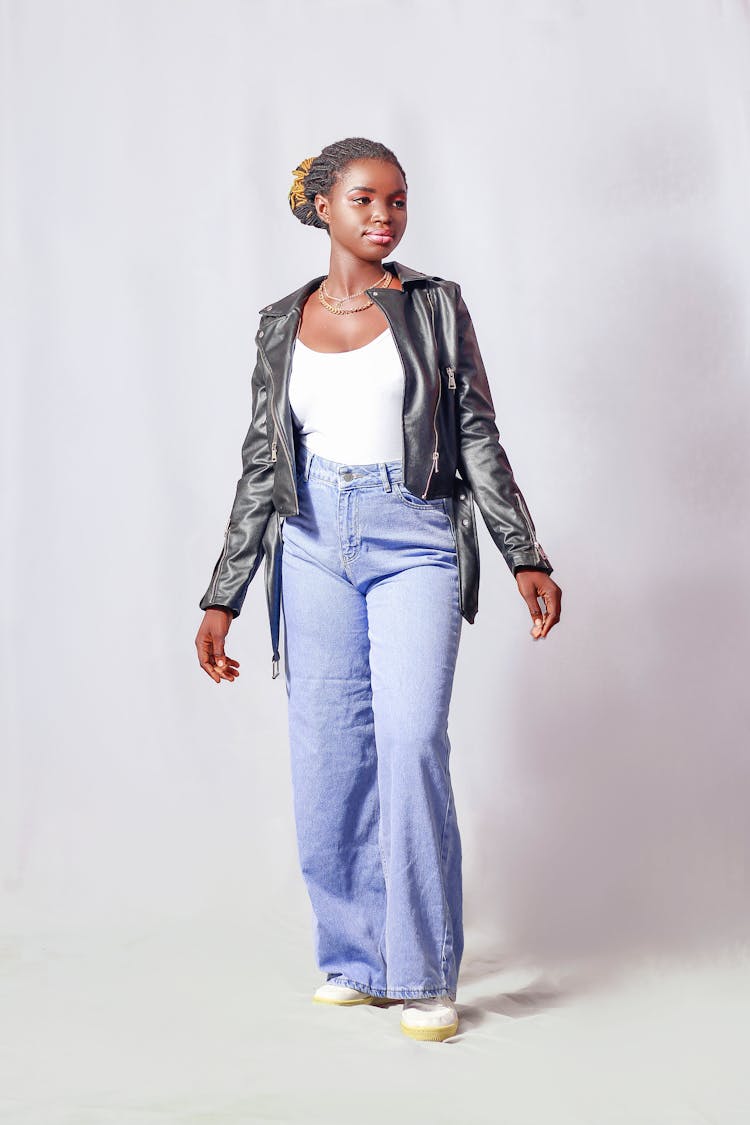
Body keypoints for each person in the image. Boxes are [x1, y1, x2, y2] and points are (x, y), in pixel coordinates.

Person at [194, 137, 562, 1042]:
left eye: (397, 201)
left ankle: (424, 971)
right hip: (312, 538)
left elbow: (475, 431)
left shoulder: (434, 306)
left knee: (408, 742)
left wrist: (525, 553)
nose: (384, 216)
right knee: (328, 757)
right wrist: (224, 593)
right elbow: (260, 463)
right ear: (322, 205)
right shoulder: (281, 323)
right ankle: (353, 956)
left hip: (416, 537)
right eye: (363, 199)